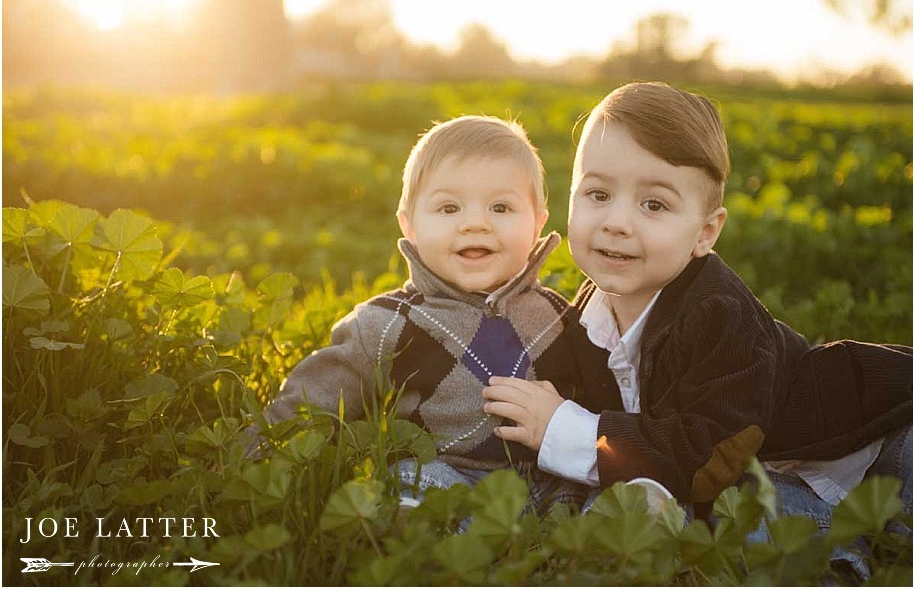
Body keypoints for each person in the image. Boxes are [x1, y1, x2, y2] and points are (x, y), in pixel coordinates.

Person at [481, 81, 912, 532]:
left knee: (759, 530)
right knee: (738, 517)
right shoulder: (585, 315)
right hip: (775, 476)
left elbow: (708, 457)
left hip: (873, 440)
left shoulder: (719, 313)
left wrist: (568, 430)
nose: (616, 223)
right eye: (598, 194)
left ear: (706, 233)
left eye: (654, 204)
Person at [248, 114, 590, 514]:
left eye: (501, 207)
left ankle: (624, 527)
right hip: (445, 473)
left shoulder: (561, 316)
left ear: (537, 225)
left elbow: (606, 401)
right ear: (410, 226)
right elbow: (314, 398)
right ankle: (423, 533)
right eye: (448, 208)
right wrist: (253, 452)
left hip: (543, 478)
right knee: (410, 482)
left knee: (596, 487)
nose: (475, 223)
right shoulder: (388, 322)